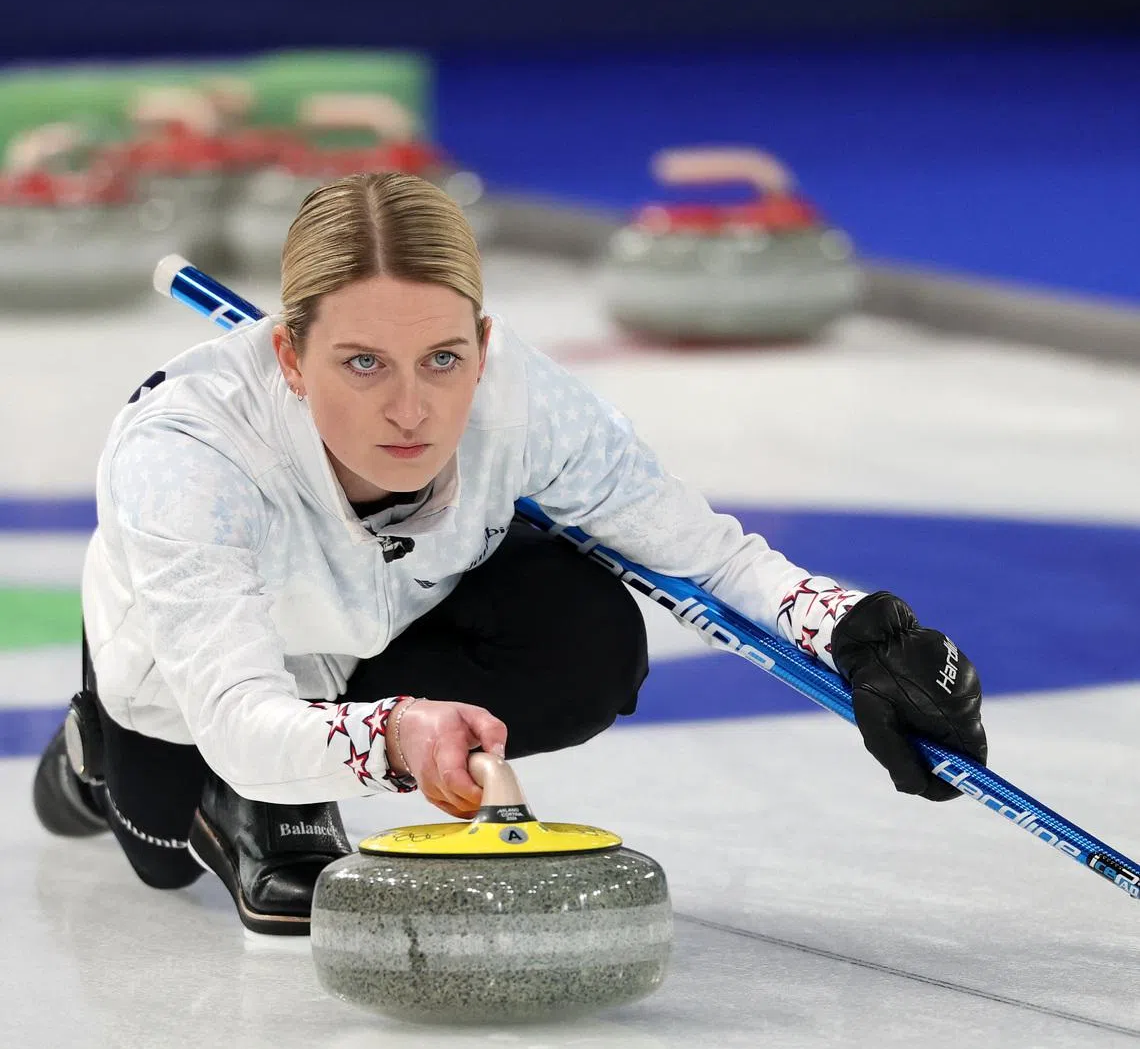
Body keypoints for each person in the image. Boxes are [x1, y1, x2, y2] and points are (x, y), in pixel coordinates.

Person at [33, 171, 987, 935]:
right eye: (361, 361)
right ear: (289, 356)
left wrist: (854, 630)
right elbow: (241, 722)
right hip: (196, 681)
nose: (410, 410)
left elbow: (707, 557)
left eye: (442, 360)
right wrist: (393, 737)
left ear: (484, 345)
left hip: (369, 628)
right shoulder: (187, 455)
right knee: (163, 845)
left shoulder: (522, 400)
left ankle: (301, 770)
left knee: (584, 639)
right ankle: (91, 761)